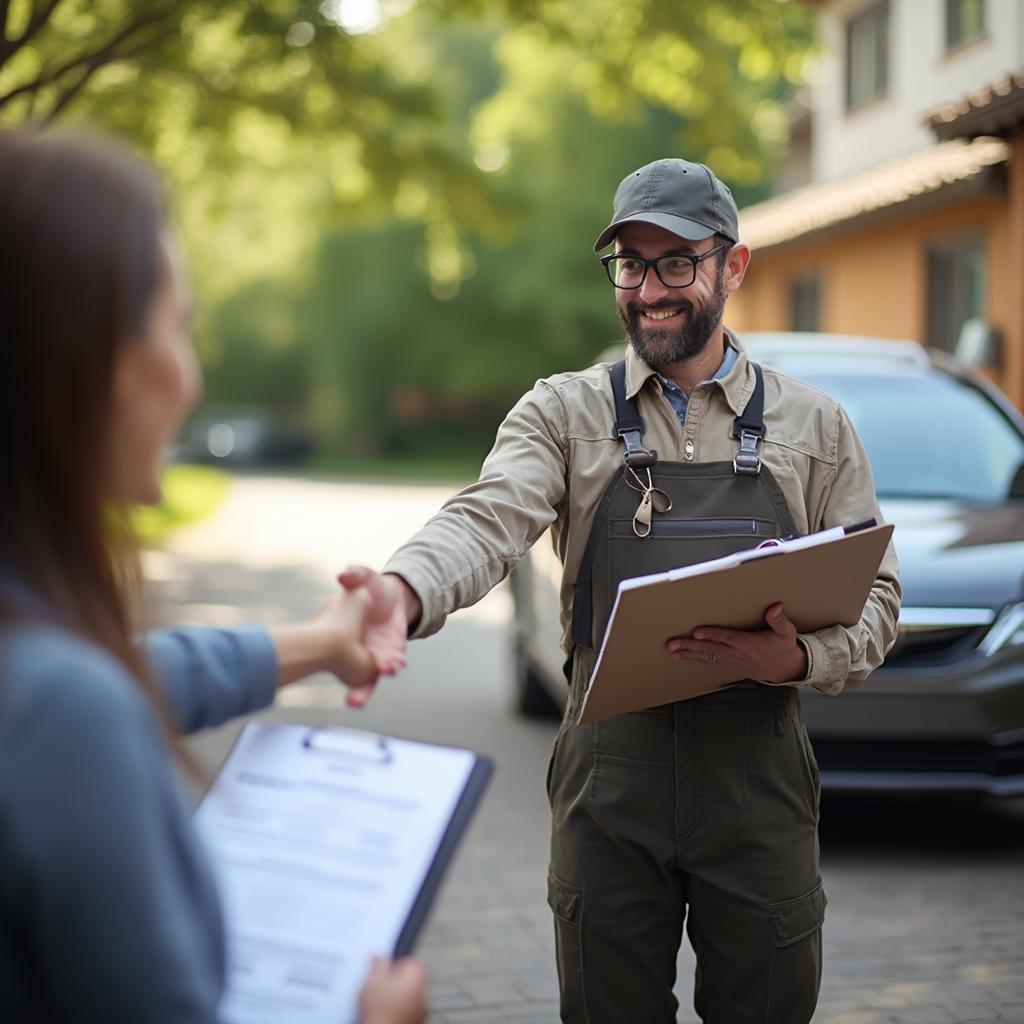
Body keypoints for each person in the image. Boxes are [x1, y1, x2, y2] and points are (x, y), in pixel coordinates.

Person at [343, 158, 901, 1023]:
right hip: (609, 783)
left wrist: (798, 655)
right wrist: (402, 589)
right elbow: (487, 518)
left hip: (759, 782)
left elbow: (879, 599)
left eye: (677, 262)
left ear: (734, 267)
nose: (650, 290)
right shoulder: (561, 413)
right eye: (631, 265)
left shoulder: (816, 427)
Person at [0, 128, 427, 1024]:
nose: (189, 379)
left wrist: (318, 643)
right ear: (78, 361)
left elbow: (137, 671)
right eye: (177, 327)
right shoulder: (61, 711)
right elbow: (81, 702)